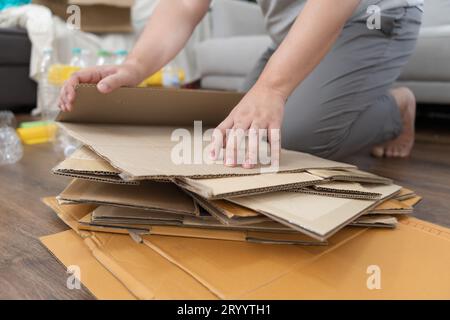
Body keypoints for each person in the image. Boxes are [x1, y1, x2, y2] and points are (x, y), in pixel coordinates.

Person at [59, 0, 423, 168]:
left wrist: (273, 88)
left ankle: (397, 107)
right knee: (235, 132)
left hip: (371, 17)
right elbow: (185, 5)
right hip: (291, 35)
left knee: (291, 140)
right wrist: (134, 66)